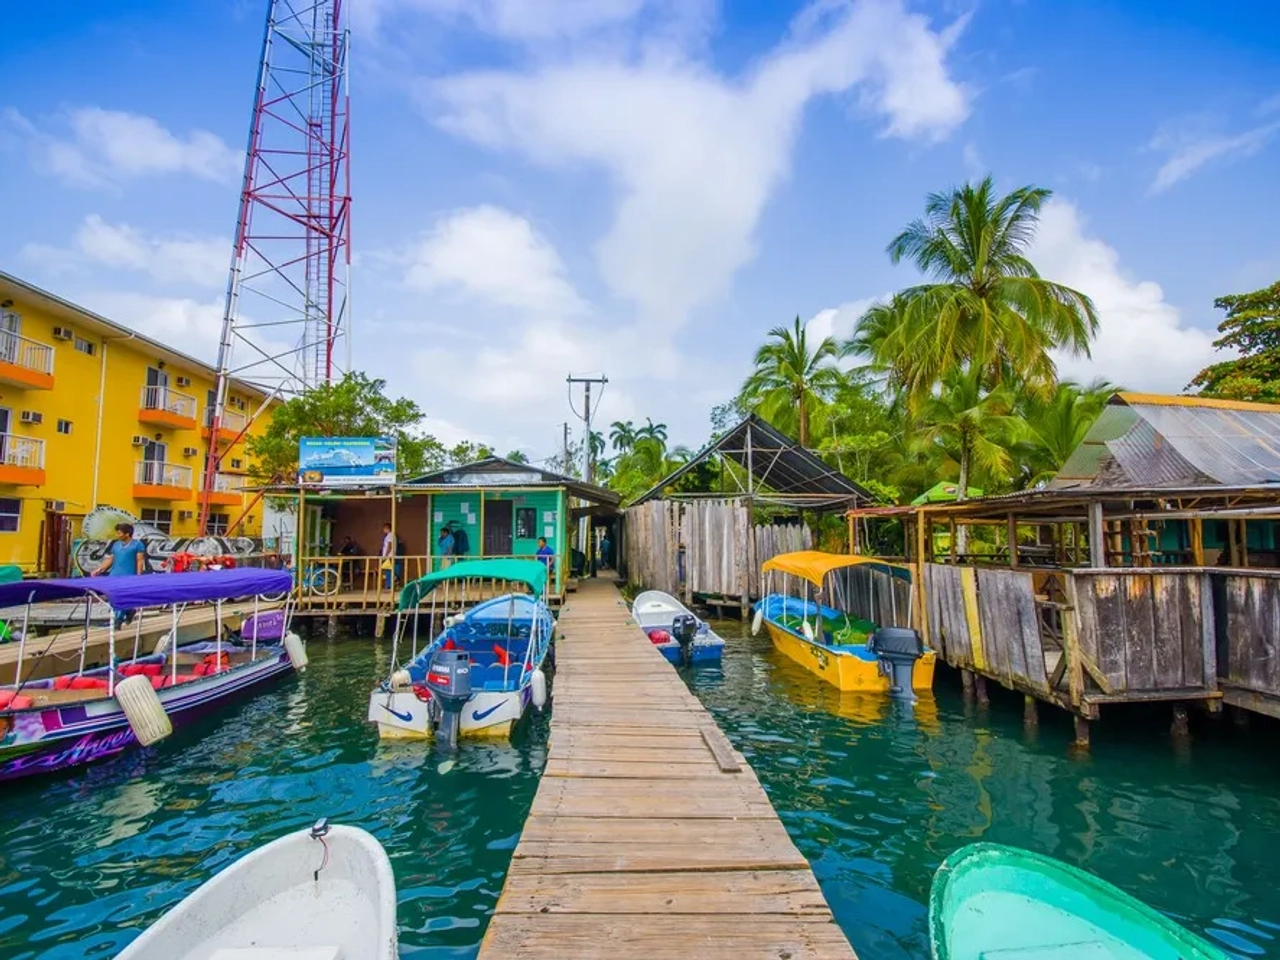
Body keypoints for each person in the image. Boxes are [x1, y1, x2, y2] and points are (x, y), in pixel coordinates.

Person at [93, 522, 147, 628]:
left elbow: (140, 560)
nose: (117, 535)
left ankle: (118, 619)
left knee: (122, 596)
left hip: (128, 575)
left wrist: (139, 576)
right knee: (113, 596)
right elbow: (111, 558)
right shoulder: (116, 545)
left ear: (127, 534)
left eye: (119, 533)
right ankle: (128, 612)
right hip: (114, 574)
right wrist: (100, 569)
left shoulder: (137, 545)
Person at [380, 522, 395, 590]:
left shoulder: (390, 535)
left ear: (387, 528)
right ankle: (388, 585)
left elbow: (389, 546)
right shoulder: (391, 535)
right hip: (389, 556)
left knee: (388, 571)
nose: (383, 530)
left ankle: (389, 586)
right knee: (388, 571)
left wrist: (385, 556)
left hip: (389, 556)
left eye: (384, 528)